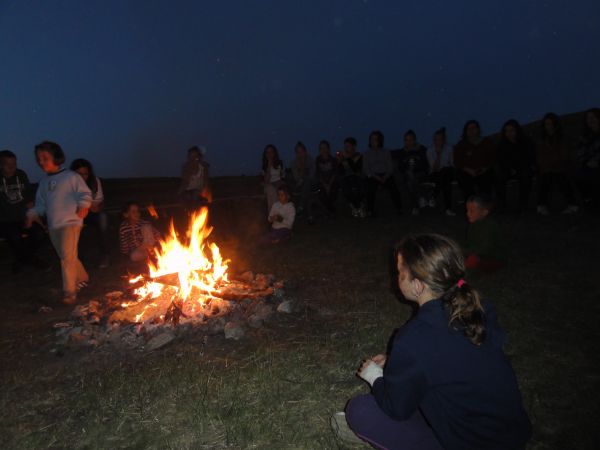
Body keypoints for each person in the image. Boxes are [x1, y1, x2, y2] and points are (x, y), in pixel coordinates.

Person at [333, 234, 531, 450]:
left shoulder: (416, 337)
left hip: (472, 442)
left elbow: (397, 407)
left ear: (417, 286)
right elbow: (450, 357)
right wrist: (396, 362)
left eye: (400, 273)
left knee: (361, 409)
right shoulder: (477, 309)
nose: (395, 277)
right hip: (511, 433)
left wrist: (375, 377)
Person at [25, 141, 92, 305]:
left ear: (56, 156)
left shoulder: (71, 177)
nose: (41, 162)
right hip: (54, 225)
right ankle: (83, 278)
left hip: (71, 222)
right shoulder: (43, 183)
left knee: (66, 259)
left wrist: (84, 205)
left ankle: (70, 292)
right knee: (66, 255)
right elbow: (41, 204)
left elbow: (84, 194)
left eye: (45, 158)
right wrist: (31, 214)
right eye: (38, 159)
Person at [0, 150, 47, 273]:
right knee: (14, 237)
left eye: (14, 164)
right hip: (5, 220)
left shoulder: (21, 175)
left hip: (23, 217)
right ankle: (30, 259)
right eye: (8, 164)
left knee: (39, 234)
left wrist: (31, 217)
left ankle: (22, 260)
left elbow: (29, 200)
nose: (12, 167)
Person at [536, 113, 578, 215]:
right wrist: (546, 165)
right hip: (547, 168)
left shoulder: (562, 139)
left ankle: (572, 204)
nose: (548, 127)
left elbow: (564, 155)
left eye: (550, 124)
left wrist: (554, 164)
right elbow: (540, 156)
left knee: (560, 177)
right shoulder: (543, 140)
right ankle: (542, 205)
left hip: (561, 167)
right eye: (546, 124)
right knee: (546, 177)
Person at [70, 158, 110, 268]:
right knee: (73, 224)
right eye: (79, 174)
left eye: (85, 174)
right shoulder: (68, 183)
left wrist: (97, 207)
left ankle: (105, 255)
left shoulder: (94, 182)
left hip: (91, 213)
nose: (82, 177)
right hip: (75, 214)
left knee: (103, 218)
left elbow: (100, 201)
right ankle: (78, 260)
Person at [494, 120, 536, 212]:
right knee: (499, 176)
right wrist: (508, 168)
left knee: (526, 176)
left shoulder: (526, 142)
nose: (509, 133)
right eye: (507, 131)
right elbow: (499, 159)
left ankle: (523, 204)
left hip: (523, 169)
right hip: (508, 170)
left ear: (517, 131)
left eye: (512, 130)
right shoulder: (502, 144)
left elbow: (530, 158)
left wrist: (520, 168)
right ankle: (501, 204)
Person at [453, 120, 496, 201]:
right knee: (465, 182)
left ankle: (484, 206)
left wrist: (485, 168)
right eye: (469, 129)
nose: (471, 130)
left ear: (478, 129)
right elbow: (457, 161)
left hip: (484, 171)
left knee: (486, 183)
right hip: (467, 172)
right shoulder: (461, 145)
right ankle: (471, 206)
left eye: (474, 128)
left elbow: (492, 158)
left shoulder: (486, 142)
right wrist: (469, 170)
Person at [364, 130, 403, 217]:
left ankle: (399, 208)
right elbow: (366, 169)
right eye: (371, 139)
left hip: (385, 174)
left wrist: (385, 176)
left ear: (379, 140)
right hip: (373, 176)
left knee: (394, 189)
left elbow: (390, 167)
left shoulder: (386, 152)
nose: (373, 141)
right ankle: (370, 210)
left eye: (375, 139)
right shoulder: (367, 153)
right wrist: (375, 176)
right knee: (370, 189)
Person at [464, 196, 506, 272]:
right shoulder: (473, 223)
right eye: (467, 210)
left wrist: (466, 252)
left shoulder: (490, 226)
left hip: (493, 258)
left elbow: (485, 249)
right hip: (477, 254)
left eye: (471, 211)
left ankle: (460, 281)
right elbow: (471, 243)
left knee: (470, 261)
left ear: (484, 212)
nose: (467, 214)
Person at [395, 130, 429, 215]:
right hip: (407, 175)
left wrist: (415, 169)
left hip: (420, 174)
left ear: (414, 140)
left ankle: (415, 206)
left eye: (410, 140)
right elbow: (400, 167)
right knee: (409, 180)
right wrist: (407, 169)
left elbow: (425, 164)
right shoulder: (402, 152)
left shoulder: (421, 149)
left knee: (410, 180)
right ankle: (420, 198)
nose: (408, 142)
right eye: (406, 140)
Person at [426, 127, 456, 216]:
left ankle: (433, 196)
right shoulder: (430, 150)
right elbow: (434, 169)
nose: (437, 141)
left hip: (448, 172)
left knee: (446, 172)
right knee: (445, 180)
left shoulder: (449, 148)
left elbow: (452, 164)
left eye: (439, 139)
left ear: (443, 140)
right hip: (435, 174)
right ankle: (448, 208)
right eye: (435, 139)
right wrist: (438, 155)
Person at [575, 108, 600, 209]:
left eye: (593, 117)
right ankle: (589, 201)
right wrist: (587, 162)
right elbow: (580, 153)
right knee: (581, 176)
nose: (591, 120)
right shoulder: (584, 136)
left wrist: (597, 161)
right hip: (588, 165)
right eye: (588, 118)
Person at [338, 137, 366, 217]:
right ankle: (358, 207)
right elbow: (341, 172)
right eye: (345, 146)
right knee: (346, 189)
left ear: (354, 147)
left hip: (357, 177)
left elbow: (356, 169)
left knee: (361, 189)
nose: (346, 148)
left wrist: (348, 158)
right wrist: (339, 162)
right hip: (346, 179)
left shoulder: (359, 156)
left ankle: (355, 207)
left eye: (348, 146)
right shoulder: (343, 158)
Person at [178, 146, 210, 211]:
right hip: (187, 193)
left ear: (199, 157)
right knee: (191, 196)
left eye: (195, 156)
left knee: (199, 197)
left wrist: (203, 194)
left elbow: (206, 184)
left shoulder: (203, 167)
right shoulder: (186, 167)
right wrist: (178, 194)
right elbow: (184, 184)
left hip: (199, 194)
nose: (193, 159)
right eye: (191, 157)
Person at [289, 141, 315, 223]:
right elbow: (297, 178)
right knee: (305, 188)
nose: (300, 154)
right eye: (298, 152)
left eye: (302, 151)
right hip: (300, 185)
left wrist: (303, 178)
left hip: (312, 184)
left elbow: (312, 175)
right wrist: (302, 168)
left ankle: (300, 207)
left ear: (305, 151)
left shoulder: (311, 160)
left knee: (307, 182)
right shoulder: (294, 163)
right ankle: (309, 216)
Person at [315, 140, 338, 216]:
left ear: (328, 149)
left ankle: (329, 211)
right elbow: (318, 173)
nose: (323, 150)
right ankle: (329, 211)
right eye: (321, 148)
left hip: (332, 182)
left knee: (332, 192)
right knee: (322, 192)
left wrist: (329, 185)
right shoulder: (318, 159)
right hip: (322, 182)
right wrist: (325, 185)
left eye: (325, 148)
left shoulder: (333, 159)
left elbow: (334, 173)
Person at [261, 144, 285, 212]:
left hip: (278, 183)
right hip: (268, 185)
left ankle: (274, 215)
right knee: (271, 190)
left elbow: (282, 177)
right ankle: (274, 215)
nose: (269, 154)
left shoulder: (280, 163)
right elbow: (266, 181)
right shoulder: (264, 166)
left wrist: (279, 183)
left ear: (274, 153)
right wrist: (269, 165)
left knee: (279, 190)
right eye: (267, 152)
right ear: (265, 154)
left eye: (271, 152)